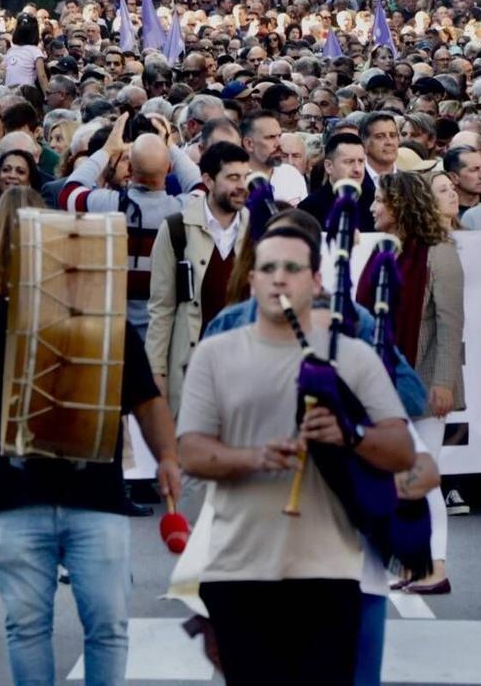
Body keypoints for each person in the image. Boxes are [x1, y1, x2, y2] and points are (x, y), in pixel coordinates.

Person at [0, 188, 182, 686]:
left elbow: (147, 401)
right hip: (16, 499)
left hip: (98, 499)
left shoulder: (109, 327)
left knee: (107, 626)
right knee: (27, 627)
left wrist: (168, 457)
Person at [172, 224, 414, 684]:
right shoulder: (216, 352)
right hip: (238, 569)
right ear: (252, 279)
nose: (278, 278)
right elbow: (191, 452)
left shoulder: (353, 353)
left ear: (316, 280)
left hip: (329, 571)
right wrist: (255, 457)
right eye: (267, 268)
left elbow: (402, 448)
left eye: (291, 268)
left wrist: (350, 434)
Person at [365, 172, 463, 595]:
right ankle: (410, 563)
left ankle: (435, 567)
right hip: (383, 383)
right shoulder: (383, 250)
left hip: (424, 383)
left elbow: (450, 324)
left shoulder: (440, 252)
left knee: (422, 475)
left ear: (400, 205)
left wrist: (443, 383)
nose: (373, 207)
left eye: (379, 200)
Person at [147, 141, 252, 414]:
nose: (242, 186)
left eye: (246, 177)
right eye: (233, 178)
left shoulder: (258, 229)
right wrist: (157, 372)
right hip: (191, 368)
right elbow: (161, 309)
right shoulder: (176, 229)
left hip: (245, 369)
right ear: (208, 181)